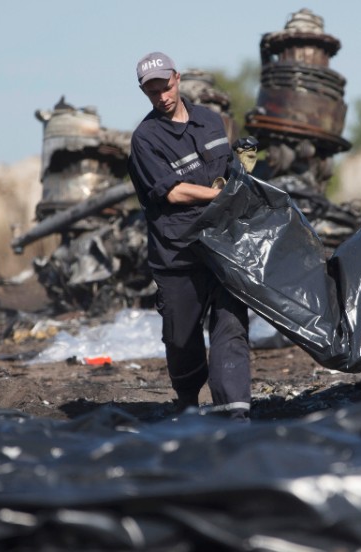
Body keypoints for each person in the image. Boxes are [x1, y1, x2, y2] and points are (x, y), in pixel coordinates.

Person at [127, 52, 251, 419]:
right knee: (182, 341)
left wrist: (242, 178)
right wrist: (219, 195)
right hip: (177, 255)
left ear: (176, 79)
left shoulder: (211, 122)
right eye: (152, 92)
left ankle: (235, 413)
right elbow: (173, 192)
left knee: (231, 327)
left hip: (221, 247)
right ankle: (186, 404)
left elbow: (228, 170)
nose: (161, 96)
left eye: (164, 87)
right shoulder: (145, 140)